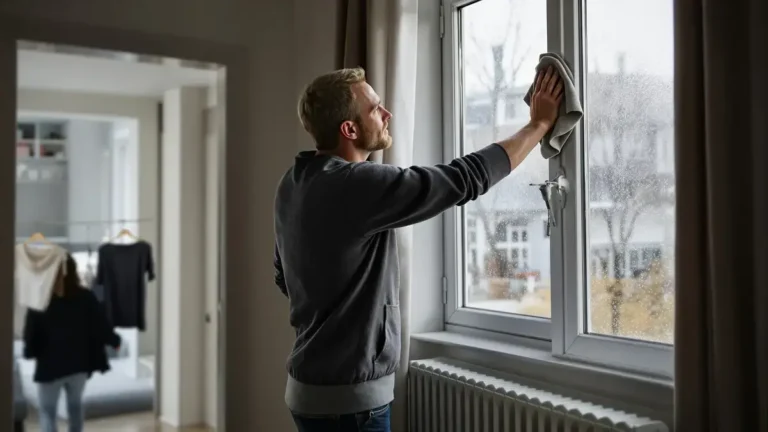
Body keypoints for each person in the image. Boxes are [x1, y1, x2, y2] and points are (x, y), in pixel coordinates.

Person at [274, 66, 563, 431]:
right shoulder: (355, 185)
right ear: (349, 129)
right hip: (349, 404)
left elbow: (284, 275)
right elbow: (463, 178)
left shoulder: (294, 182)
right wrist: (537, 126)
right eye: (376, 108)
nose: (387, 114)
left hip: (305, 391)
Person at [23, 253, 121, 432]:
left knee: (47, 412)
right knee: (75, 408)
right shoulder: (86, 297)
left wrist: (29, 351)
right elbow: (100, 325)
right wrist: (115, 341)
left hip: (50, 367)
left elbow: (31, 333)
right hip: (79, 365)